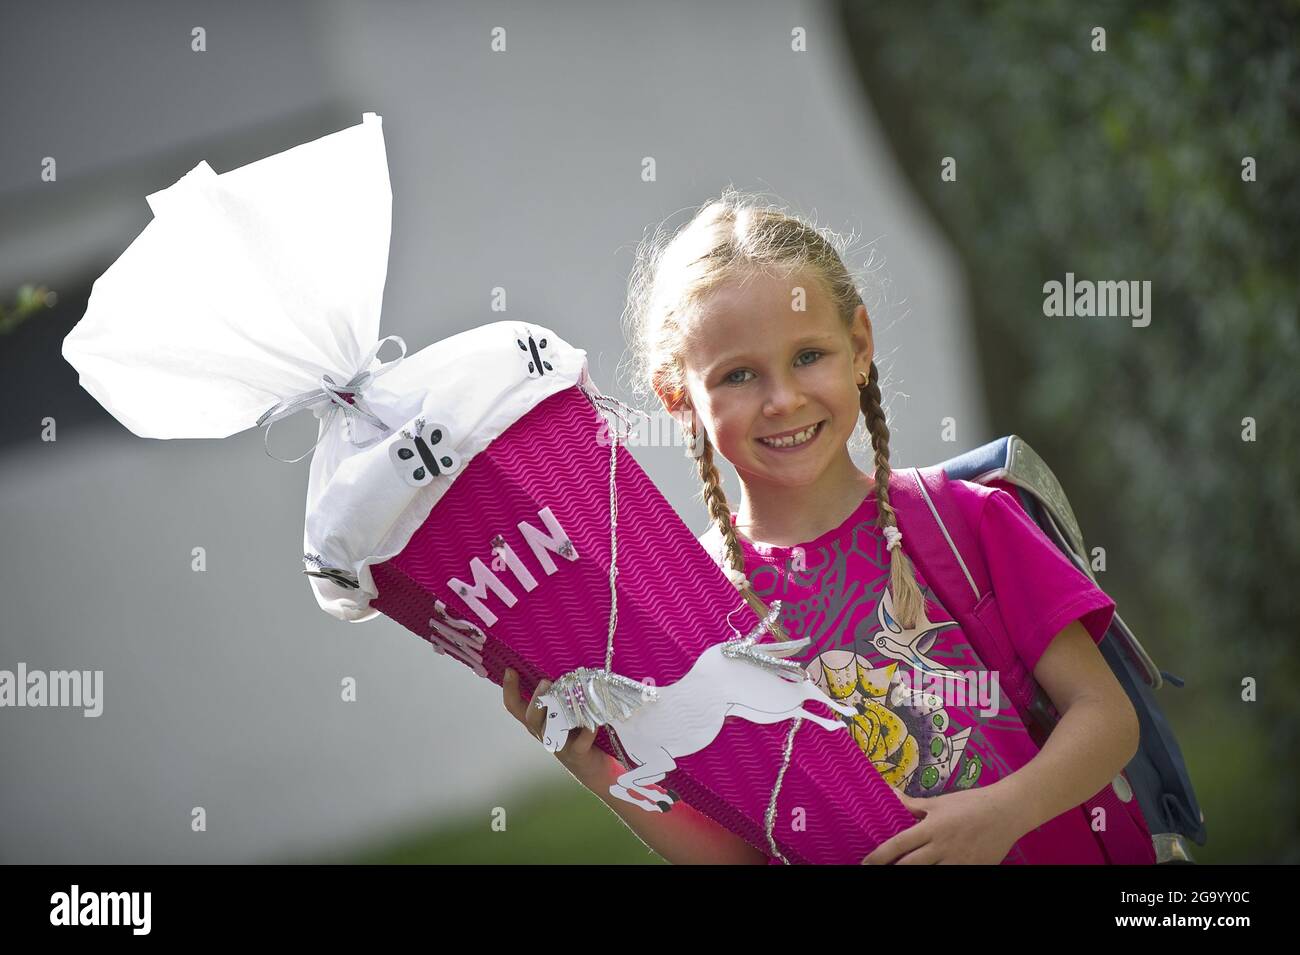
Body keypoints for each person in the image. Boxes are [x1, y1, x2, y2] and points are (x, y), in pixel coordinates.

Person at [503, 188, 1143, 864]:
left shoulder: (966, 520)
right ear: (678, 399)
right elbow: (743, 853)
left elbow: (1107, 718)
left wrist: (1001, 814)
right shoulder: (692, 610)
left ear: (859, 344)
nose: (783, 399)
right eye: (739, 374)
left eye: (809, 355)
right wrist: (597, 767)